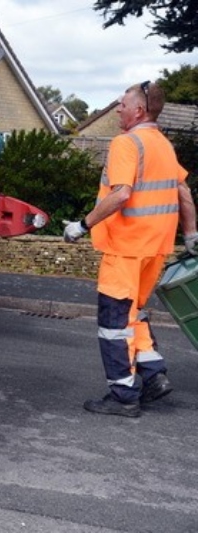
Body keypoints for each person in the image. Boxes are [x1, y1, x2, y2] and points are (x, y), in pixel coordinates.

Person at [63, 80, 198, 418]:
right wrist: (192, 234)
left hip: (127, 246)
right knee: (133, 314)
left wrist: (83, 225)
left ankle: (123, 394)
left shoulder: (127, 142)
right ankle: (153, 377)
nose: (118, 108)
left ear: (139, 110)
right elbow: (183, 193)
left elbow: (122, 194)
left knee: (114, 322)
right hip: (156, 248)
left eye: (123, 103)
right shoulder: (164, 145)